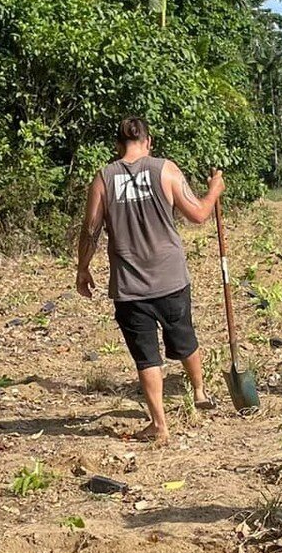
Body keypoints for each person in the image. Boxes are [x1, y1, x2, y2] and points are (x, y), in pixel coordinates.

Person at [75, 116, 223, 446]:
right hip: (170, 277)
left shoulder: (103, 178)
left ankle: (159, 424)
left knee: (146, 356)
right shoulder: (165, 169)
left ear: (118, 145)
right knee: (184, 335)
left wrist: (82, 269)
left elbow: (90, 230)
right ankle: (199, 392)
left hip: (129, 285)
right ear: (148, 141)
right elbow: (198, 214)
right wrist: (214, 191)